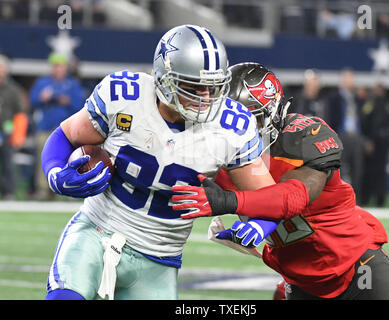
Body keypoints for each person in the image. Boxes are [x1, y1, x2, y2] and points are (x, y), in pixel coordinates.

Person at [40, 25, 276, 300]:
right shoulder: (125, 96)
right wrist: (55, 173)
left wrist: (261, 225)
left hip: (159, 258)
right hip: (97, 230)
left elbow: (269, 199)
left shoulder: (232, 126)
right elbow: (65, 135)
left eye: (213, 88)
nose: (206, 98)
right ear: (164, 79)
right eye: (194, 87)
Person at [172, 63, 389, 300]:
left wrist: (228, 201)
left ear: (271, 112)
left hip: (357, 266)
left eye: (246, 121)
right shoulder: (221, 153)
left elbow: (292, 197)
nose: (236, 131)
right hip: (300, 281)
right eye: (227, 120)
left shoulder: (304, 134)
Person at [29, 52, 85, 200]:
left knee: (71, 159)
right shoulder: (43, 82)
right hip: (45, 127)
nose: (57, 69)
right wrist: (42, 98)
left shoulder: (73, 84)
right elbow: (32, 101)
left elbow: (82, 105)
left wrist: (67, 101)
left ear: (65, 67)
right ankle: (43, 190)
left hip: (68, 131)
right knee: (42, 157)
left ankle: (71, 191)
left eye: (60, 66)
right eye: (55, 66)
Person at [325, 68, 364, 201]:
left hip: (356, 137)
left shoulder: (358, 99)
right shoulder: (334, 98)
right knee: (339, 169)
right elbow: (329, 117)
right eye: (347, 78)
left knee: (357, 169)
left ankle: (356, 199)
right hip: (340, 135)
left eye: (351, 78)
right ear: (342, 81)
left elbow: (362, 119)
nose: (349, 81)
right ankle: (339, 199)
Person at [360, 84, 389, 207]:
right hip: (374, 142)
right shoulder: (372, 103)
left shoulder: (386, 104)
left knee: (380, 172)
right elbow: (365, 122)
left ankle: (379, 199)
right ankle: (367, 198)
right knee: (370, 171)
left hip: (382, 143)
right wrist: (368, 140)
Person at [0, 54, 27, 200]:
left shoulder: (13, 90)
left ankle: (8, 192)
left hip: (6, 130)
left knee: (7, 162)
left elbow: (20, 113)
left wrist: (18, 135)